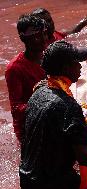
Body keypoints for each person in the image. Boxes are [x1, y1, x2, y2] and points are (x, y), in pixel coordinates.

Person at [19, 40, 87, 189]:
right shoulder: (68, 105)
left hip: (27, 177)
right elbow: (85, 157)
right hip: (53, 183)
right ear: (66, 68)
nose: (80, 67)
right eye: (77, 63)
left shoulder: (38, 92)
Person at [5, 14, 48, 142]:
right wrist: (43, 103)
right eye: (36, 36)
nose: (43, 39)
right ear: (23, 38)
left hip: (49, 115)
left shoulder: (48, 55)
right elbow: (16, 108)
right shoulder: (14, 68)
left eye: (44, 34)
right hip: (29, 127)